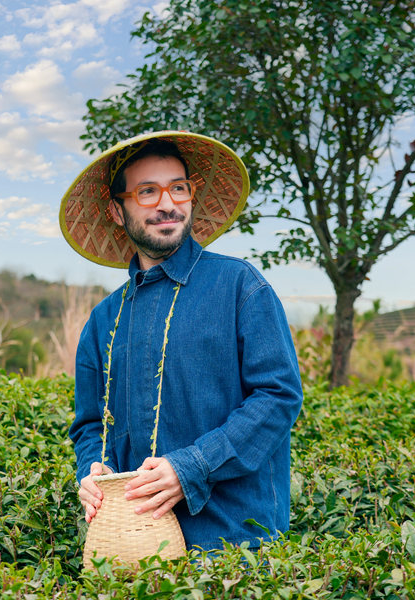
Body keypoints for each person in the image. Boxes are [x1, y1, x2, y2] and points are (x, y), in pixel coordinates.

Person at [60, 131, 303, 551]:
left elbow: (278, 396)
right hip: (134, 549)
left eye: (178, 188)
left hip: (238, 547)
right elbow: (90, 424)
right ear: (118, 210)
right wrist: (93, 470)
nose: (168, 204)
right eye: (147, 192)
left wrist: (190, 466)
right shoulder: (103, 321)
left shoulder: (240, 286)